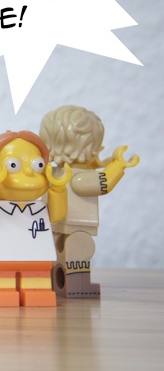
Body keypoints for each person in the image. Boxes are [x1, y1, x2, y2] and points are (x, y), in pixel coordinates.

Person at [39, 105, 139, 297]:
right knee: (77, 256)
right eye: (95, 147)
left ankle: (53, 284)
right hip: (76, 227)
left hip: (55, 225)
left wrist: (100, 163)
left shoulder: (54, 173)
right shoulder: (79, 178)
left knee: (57, 257)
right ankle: (78, 287)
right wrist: (120, 165)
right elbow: (104, 183)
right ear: (87, 148)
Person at [0, 130, 70, 307]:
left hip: (37, 256)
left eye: (38, 165)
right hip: (0, 254)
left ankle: (37, 292)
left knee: (36, 274)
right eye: (13, 165)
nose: (28, 172)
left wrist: (58, 189)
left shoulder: (40, 208)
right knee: (0, 277)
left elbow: (58, 216)